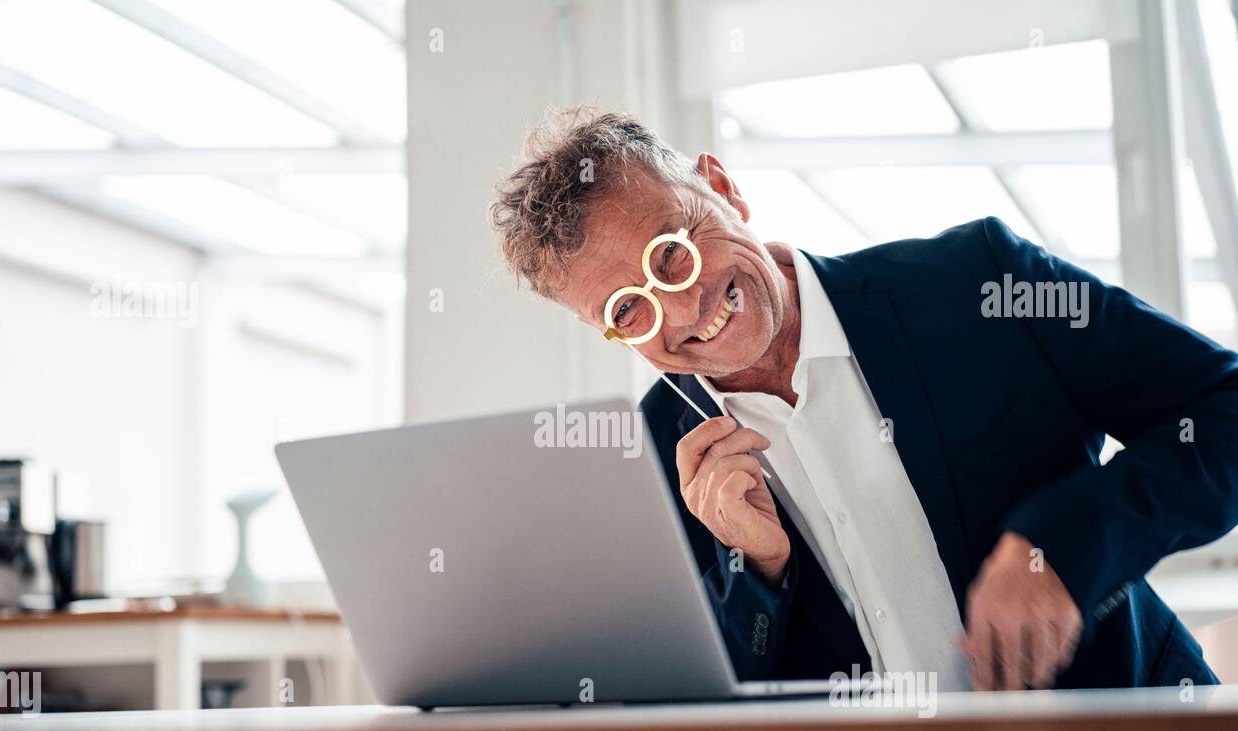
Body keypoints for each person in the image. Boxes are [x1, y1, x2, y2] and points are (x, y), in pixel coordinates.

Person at [489, 107, 1232, 691]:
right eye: (627, 309)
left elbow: (1222, 408)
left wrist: (1066, 545)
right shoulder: (651, 463)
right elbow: (695, 720)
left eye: (672, 252)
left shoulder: (977, 282)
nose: (682, 311)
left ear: (722, 187)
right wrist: (758, 573)